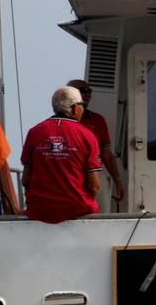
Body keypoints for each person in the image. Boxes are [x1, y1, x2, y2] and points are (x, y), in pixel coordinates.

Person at [20, 86, 102, 223]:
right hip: (78, 209)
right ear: (75, 108)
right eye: (82, 105)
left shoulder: (34, 132)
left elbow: (25, 180)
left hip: (39, 211)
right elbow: (95, 186)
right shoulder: (87, 136)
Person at [67, 78, 125, 202]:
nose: (88, 94)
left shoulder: (98, 120)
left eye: (90, 91)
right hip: (67, 176)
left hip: (95, 175)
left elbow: (107, 155)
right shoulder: (56, 123)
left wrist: (117, 181)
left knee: (100, 216)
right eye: (84, 91)